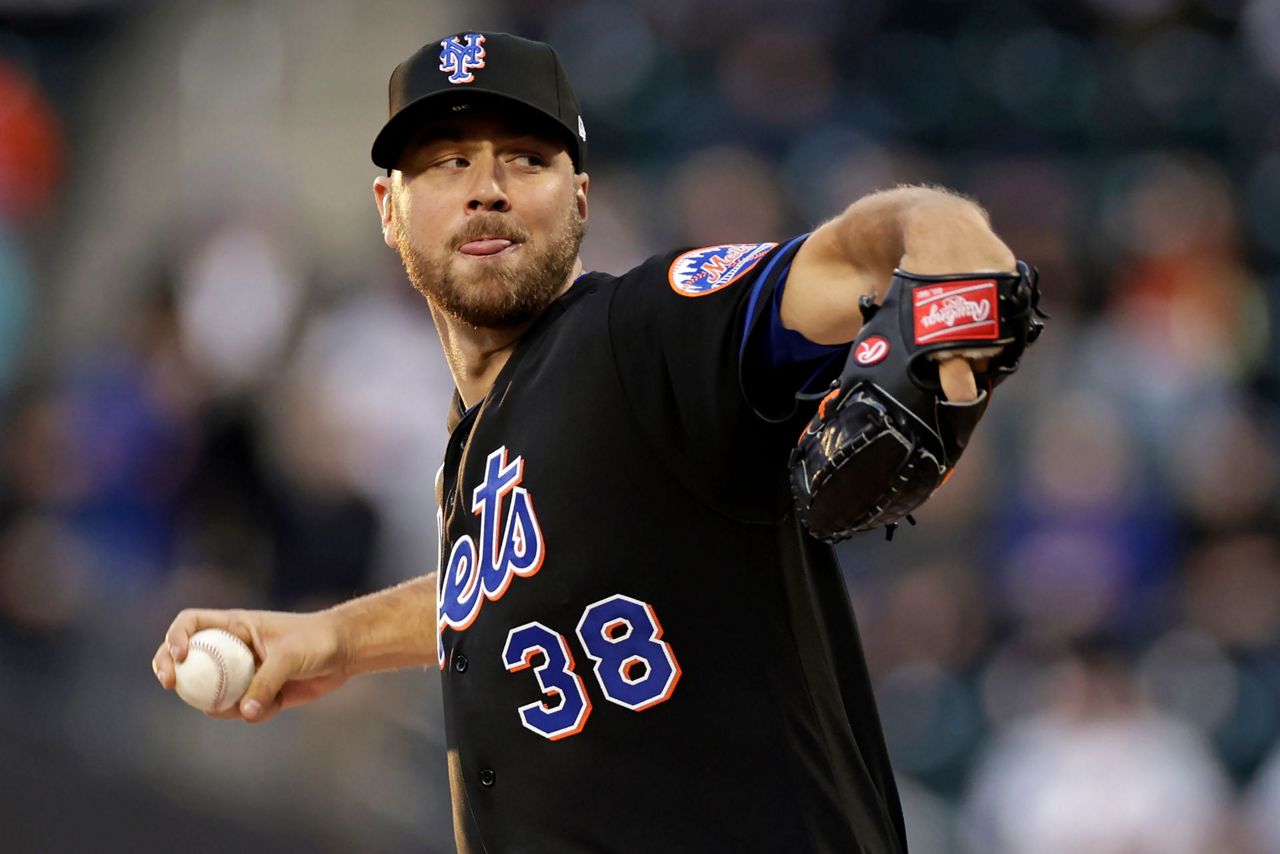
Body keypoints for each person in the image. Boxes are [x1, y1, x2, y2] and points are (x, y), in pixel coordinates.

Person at [152, 31, 1019, 853]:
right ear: (389, 208)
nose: (486, 187)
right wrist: (335, 640)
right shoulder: (476, 448)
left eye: (525, 159)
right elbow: (528, 590)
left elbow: (900, 237)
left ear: (581, 198)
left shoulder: (645, 333)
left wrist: (953, 301)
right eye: (449, 161)